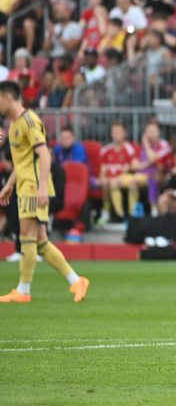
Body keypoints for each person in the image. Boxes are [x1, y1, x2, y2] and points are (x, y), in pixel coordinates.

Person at [0, 81, 89, 303]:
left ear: (8, 97)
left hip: (33, 186)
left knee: (27, 238)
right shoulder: (13, 126)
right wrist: (9, 184)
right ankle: (76, 281)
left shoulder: (30, 121)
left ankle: (23, 290)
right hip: (24, 184)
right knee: (40, 242)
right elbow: (22, 162)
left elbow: (45, 155)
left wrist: (41, 188)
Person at [97, 122, 141, 223]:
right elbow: (102, 171)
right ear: (111, 134)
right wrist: (103, 179)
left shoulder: (130, 148)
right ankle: (110, 214)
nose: (116, 134)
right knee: (106, 183)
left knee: (133, 182)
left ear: (124, 133)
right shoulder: (105, 150)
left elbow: (135, 166)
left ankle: (132, 215)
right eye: (114, 132)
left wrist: (129, 168)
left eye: (119, 132)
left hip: (124, 178)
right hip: (110, 179)